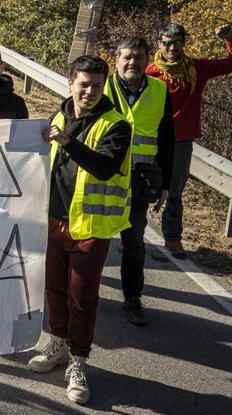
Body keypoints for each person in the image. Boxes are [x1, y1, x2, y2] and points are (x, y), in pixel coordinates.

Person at [28, 54, 132, 404]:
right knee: (54, 290)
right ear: (70, 82)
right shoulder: (59, 114)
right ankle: (57, 343)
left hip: (90, 227)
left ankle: (78, 362)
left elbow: (104, 167)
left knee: (82, 299)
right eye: (83, 84)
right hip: (54, 219)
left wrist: (68, 142)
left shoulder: (117, 124)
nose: (89, 91)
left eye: (97, 85)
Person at [146, 23, 232, 258]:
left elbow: (230, 63)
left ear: (184, 43)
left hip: (181, 141)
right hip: (151, 138)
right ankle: (133, 235)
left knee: (175, 192)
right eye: (167, 42)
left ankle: (172, 239)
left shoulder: (197, 69)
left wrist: (229, 38)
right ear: (159, 44)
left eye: (177, 42)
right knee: (143, 184)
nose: (172, 47)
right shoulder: (150, 73)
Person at [105, 37, 175, 326]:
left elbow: (167, 140)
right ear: (117, 60)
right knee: (92, 238)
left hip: (140, 180)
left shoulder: (160, 89)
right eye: (127, 57)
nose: (133, 62)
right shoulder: (101, 85)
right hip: (103, 175)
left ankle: (132, 298)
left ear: (148, 60)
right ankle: (83, 294)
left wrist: (167, 184)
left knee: (134, 242)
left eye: (139, 57)